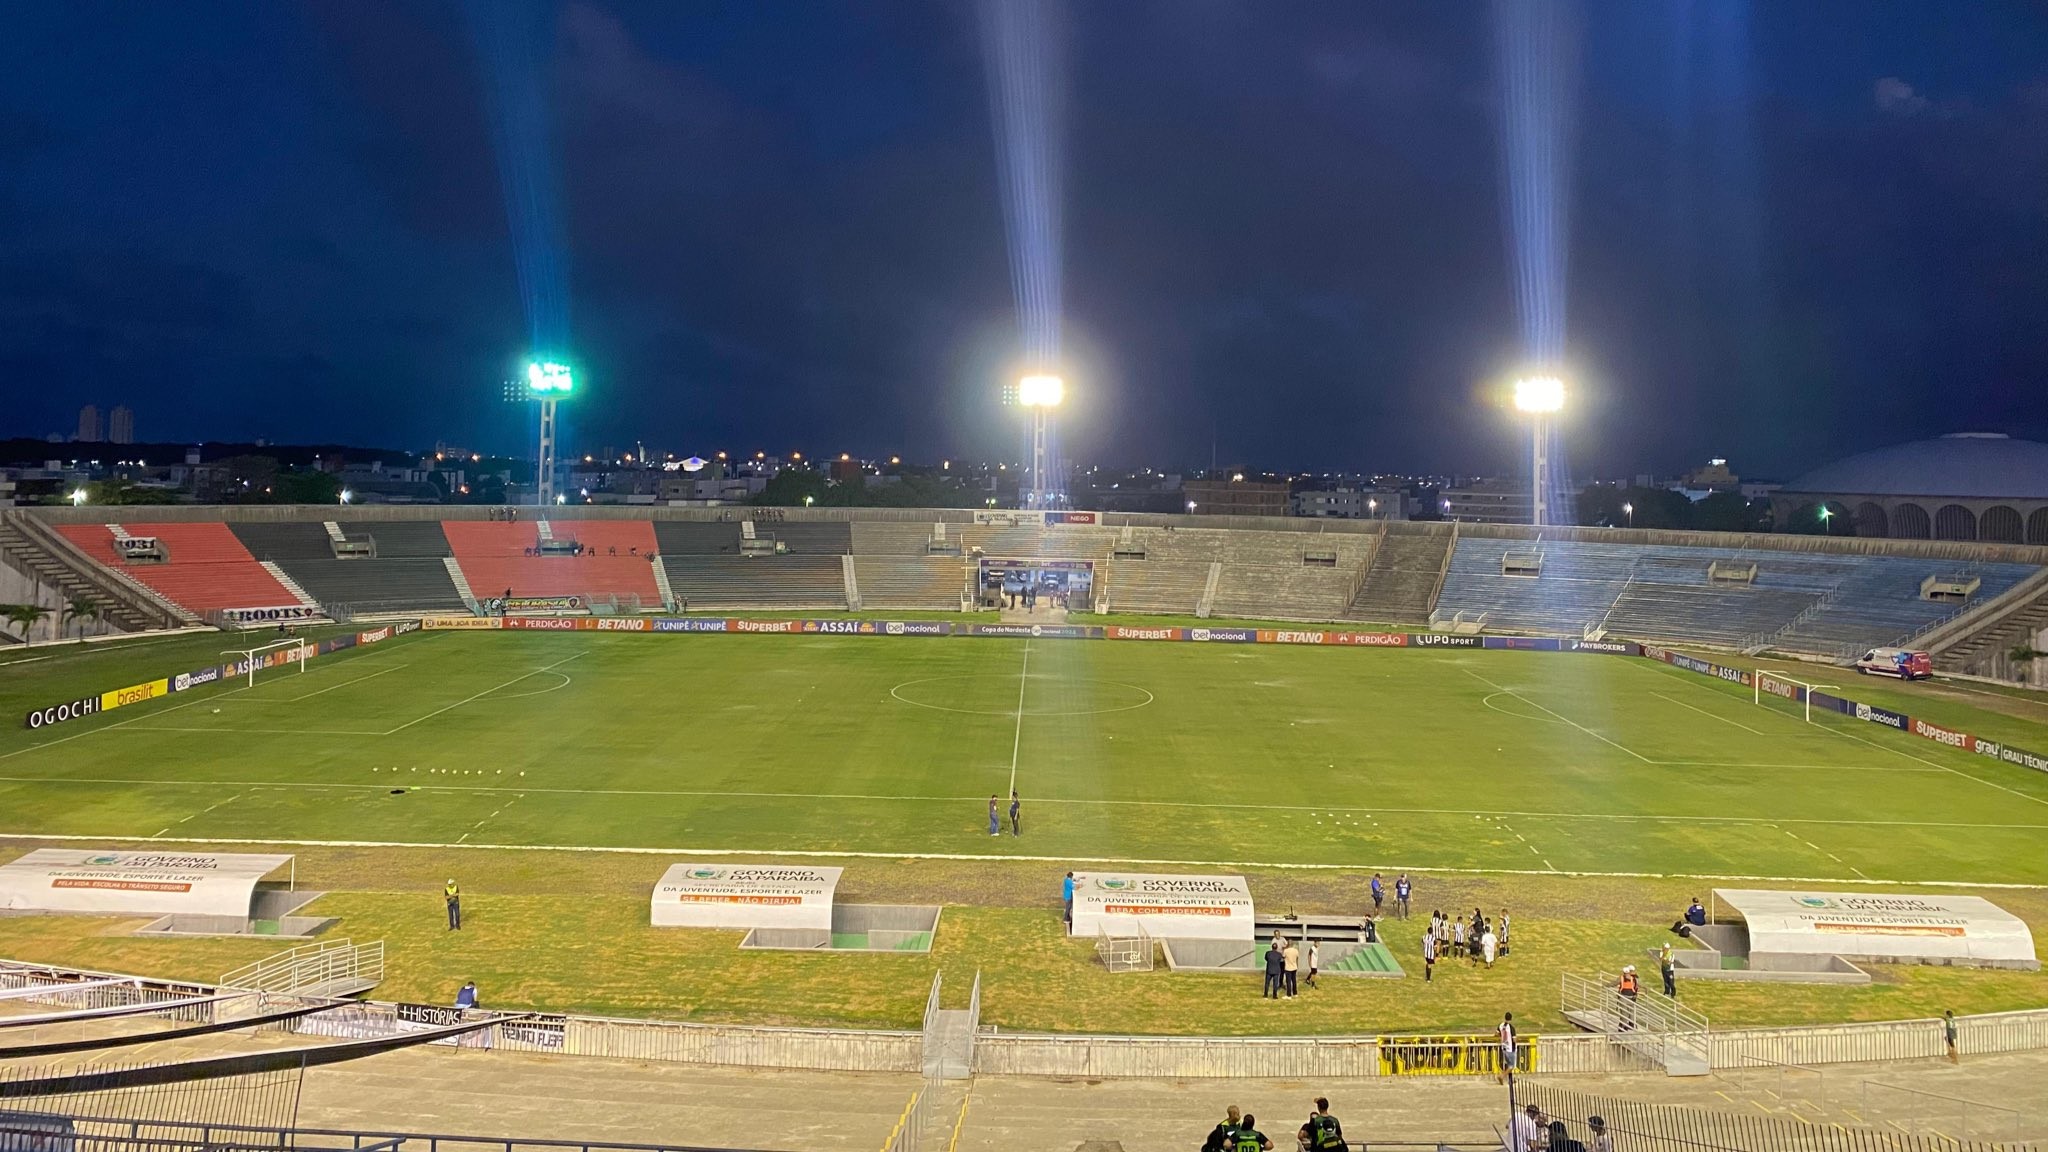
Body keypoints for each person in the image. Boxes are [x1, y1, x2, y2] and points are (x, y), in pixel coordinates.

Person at [1496, 1012, 1516, 1084]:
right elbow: (1514, 1039)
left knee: (1508, 1065)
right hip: (1510, 1049)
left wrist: (1501, 1037)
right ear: (1511, 1018)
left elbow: (1496, 1033)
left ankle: (1511, 1079)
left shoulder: (1501, 1025)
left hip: (1503, 1047)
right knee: (1511, 1066)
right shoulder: (1511, 1028)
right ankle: (1502, 1076)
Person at [1618, 965, 1640, 1030]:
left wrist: (1606, 985)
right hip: (1632, 997)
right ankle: (1632, 1024)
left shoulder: (1622, 978)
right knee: (1632, 1011)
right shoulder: (1634, 978)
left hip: (1624, 997)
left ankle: (1622, 1026)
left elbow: (1614, 983)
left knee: (1624, 1012)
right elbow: (1637, 986)